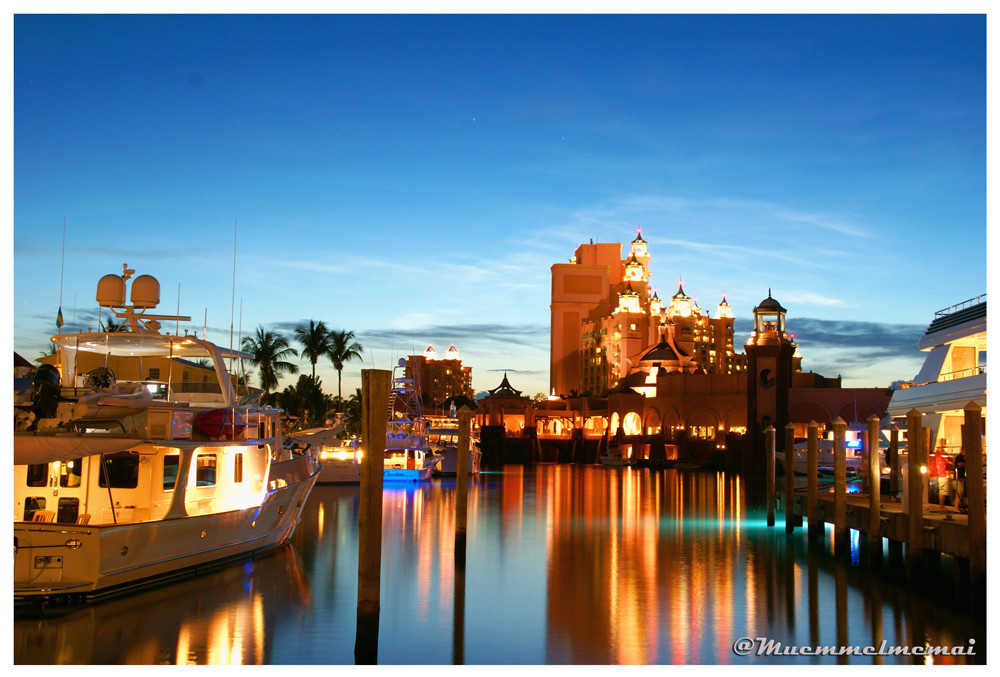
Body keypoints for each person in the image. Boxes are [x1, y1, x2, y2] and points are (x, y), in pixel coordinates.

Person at [930, 444, 952, 511]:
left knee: (942, 490)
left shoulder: (937, 456)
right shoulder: (941, 456)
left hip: (941, 474)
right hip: (943, 474)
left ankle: (941, 505)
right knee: (943, 491)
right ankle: (941, 506)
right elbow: (948, 462)